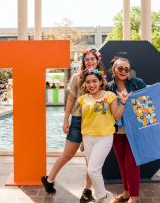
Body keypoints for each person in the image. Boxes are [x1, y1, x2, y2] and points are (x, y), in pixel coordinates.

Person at [41, 48, 104, 203]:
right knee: (67, 154)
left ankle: (88, 190)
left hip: (94, 123)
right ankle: (49, 179)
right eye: (87, 59)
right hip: (77, 120)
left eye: (92, 59)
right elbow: (70, 100)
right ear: (84, 61)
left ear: (97, 61)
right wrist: (66, 119)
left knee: (90, 160)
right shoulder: (77, 78)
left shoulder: (102, 78)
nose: (89, 61)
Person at [78, 68, 130, 203]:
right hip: (88, 138)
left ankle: (103, 197)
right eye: (88, 82)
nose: (91, 84)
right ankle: (101, 197)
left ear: (101, 81)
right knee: (95, 170)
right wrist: (83, 141)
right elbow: (84, 121)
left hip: (104, 137)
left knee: (92, 169)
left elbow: (117, 116)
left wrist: (123, 102)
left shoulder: (109, 95)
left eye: (94, 81)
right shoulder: (83, 99)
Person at [107, 57, 146, 203]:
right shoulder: (108, 87)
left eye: (127, 69)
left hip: (134, 131)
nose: (123, 71)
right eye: (120, 68)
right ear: (114, 69)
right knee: (122, 163)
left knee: (132, 164)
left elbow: (148, 99)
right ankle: (126, 192)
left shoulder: (137, 83)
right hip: (117, 131)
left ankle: (134, 197)